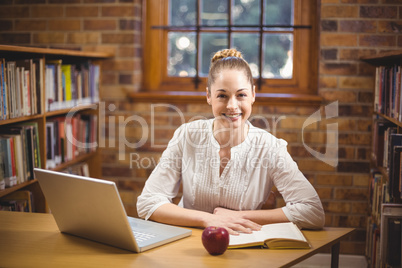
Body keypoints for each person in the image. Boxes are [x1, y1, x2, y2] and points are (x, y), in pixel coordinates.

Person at [137, 48, 325, 235]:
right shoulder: (187, 135)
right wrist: (209, 219)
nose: (232, 106)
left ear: (253, 94)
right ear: (209, 96)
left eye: (241, 95)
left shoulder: (270, 147)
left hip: (242, 245)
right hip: (188, 243)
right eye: (222, 95)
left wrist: (240, 217)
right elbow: (148, 202)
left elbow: (312, 211)